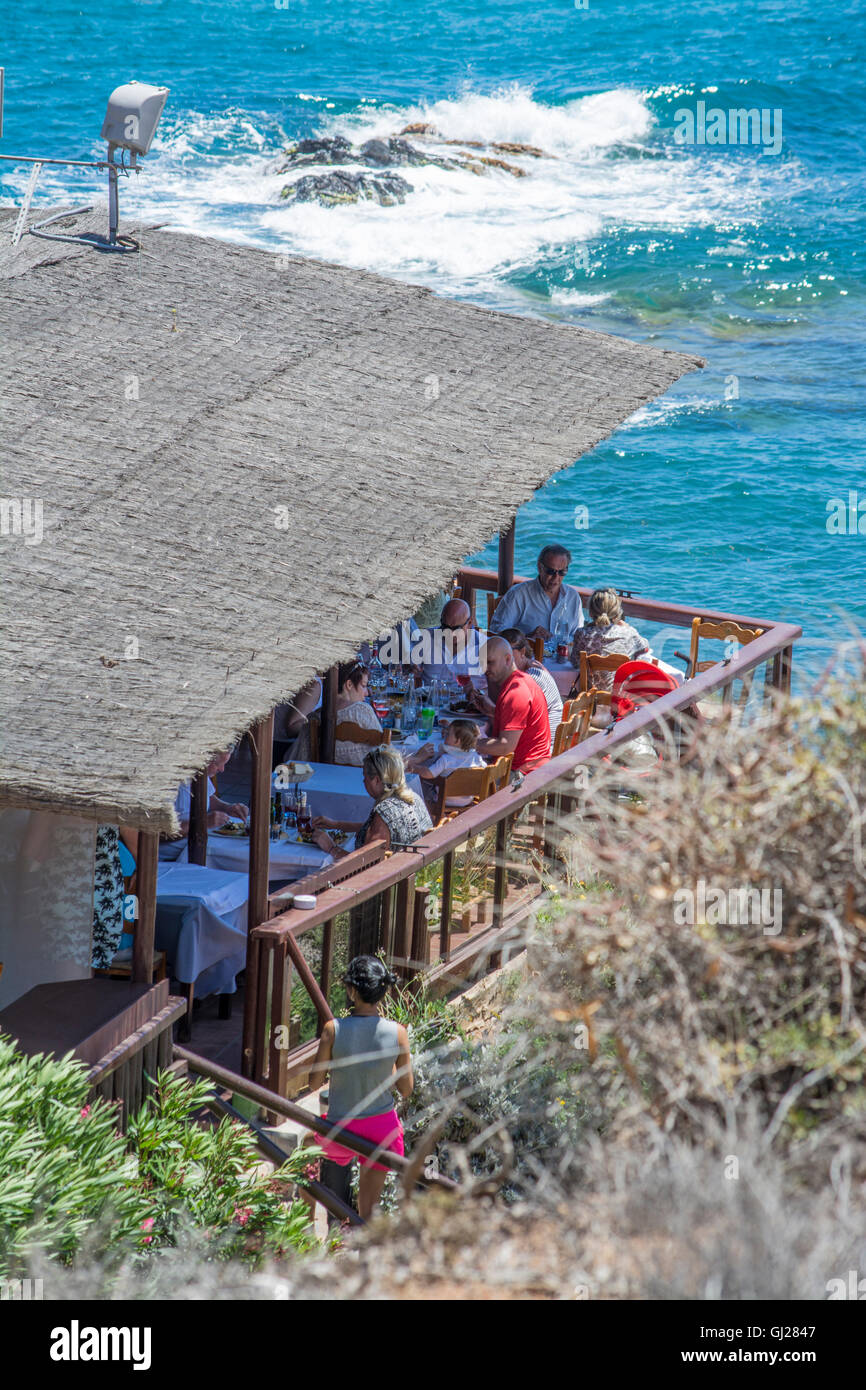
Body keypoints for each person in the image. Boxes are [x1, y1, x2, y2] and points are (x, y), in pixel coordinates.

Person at [309, 955, 413, 1222]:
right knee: (368, 1213)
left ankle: (307, 1227)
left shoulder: (333, 1030)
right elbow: (406, 1089)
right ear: (382, 991)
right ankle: (365, 1255)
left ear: (351, 990)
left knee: (305, 1149)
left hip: (341, 1127)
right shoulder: (398, 1032)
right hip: (383, 1133)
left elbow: (314, 1082)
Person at [312, 746, 432, 956]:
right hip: (416, 877)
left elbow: (366, 865)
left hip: (385, 894)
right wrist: (338, 823)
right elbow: (379, 829)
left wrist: (330, 847)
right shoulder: (412, 798)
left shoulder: (383, 812)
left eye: (365, 777)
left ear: (377, 780)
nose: (363, 782)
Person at [471, 636, 551, 774]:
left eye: (490, 662)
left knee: (451, 781)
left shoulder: (515, 692)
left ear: (508, 659)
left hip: (522, 774)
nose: (485, 669)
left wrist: (467, 744)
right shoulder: (520, 680)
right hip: (531, 767)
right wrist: (493, 712)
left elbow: (505, 746)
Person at [159, 750, 249, 860]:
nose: (222, 769)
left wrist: (227, 807)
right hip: (171, 857)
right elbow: (159, 834)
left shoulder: (199, 773)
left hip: (200, 840)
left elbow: (207, 797)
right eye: (217, 764)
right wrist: (202, 822)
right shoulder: (169, 782)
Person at [489, 543, 584, 642]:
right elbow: (496, 632)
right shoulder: (518, 594)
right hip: (526, 655)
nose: (556, 577)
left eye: (562, 572)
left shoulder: (573, 597)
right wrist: (526, 638)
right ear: (539, 567)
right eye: (551, 571)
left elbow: (578, 636)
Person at [569, 588, 651, 690]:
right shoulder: (629, 634)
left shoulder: (582, 634)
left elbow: (575, 662)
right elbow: (645, 648)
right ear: (617, 614)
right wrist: (627, 626)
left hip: (589, 698)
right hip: (619, 699)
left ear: (590, 613)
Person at [498, 628, 563, 750]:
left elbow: (512, 723)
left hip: (545, 749)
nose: (503, 659)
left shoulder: (530, 678)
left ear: (522, 652)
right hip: (544, 743)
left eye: (508, 654)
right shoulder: (532, 668)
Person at [406, 718, 486, 810]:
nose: (445, 735)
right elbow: (484, 769)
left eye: (448, 734)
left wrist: (415, 768)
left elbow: (429, 773)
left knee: (419, 784)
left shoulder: (446, 759)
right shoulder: (476, 757)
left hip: (443, 800)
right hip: (466, 800)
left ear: (457, 741)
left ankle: (420, 812)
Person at [415, 597, 483, 683]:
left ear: (469, 623)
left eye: (456, 628)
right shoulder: (426, 638)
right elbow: (410, 672)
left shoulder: (483, 646)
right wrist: (409, 668)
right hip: (429, 695)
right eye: (445, 627)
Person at [334, 661, 383, 766]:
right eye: (364, 685)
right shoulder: (360, 711)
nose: (367, 693)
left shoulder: (318, 715)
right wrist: (415, 759)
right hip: (361, 780)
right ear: (349, 684)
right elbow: (386, 756)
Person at [273, 676, 322, 764]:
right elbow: (292, 727)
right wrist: (316, 721)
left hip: (277, 744)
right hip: (283, 748)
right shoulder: (311, 684)